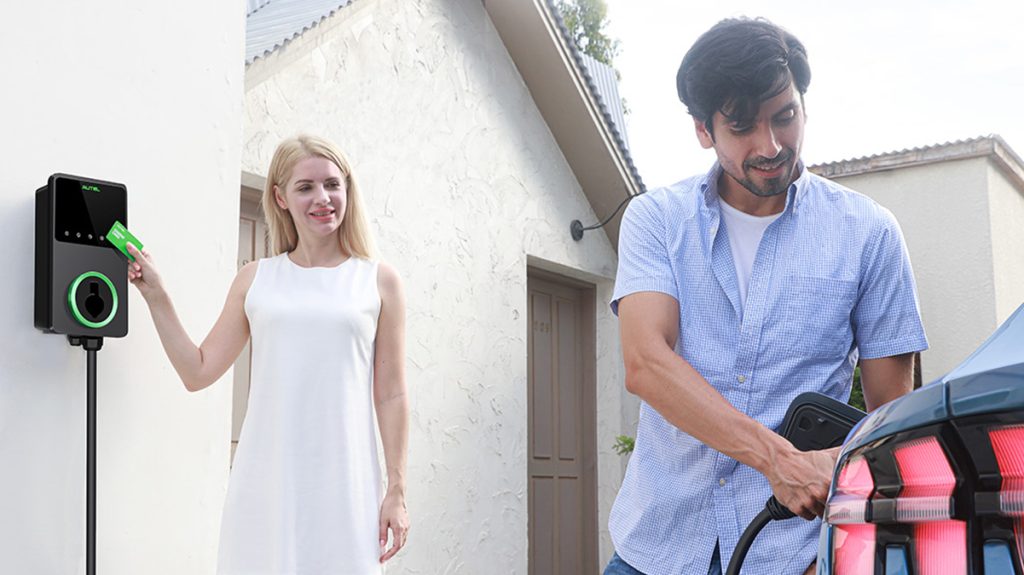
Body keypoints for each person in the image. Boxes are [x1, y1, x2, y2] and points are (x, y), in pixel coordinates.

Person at [603, 17, 927, 575]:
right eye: (743, 127)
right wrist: (776, 458)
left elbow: (891, 424)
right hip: (656, 549)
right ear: (704, 130)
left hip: (794, 556)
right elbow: (646, 363)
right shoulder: (654, 220)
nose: (771, 145)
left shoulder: (869, 233)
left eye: (785, 117)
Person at [127, 134, 409, 574]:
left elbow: (391, 395)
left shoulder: (378, 281)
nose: (323, 198)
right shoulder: (255, 279)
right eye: (305, 187)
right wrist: (157, 296)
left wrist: (396, 489)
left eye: (333, 184)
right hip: (267, 486)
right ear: (280, 197)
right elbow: (197, 371)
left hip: (347, 487)